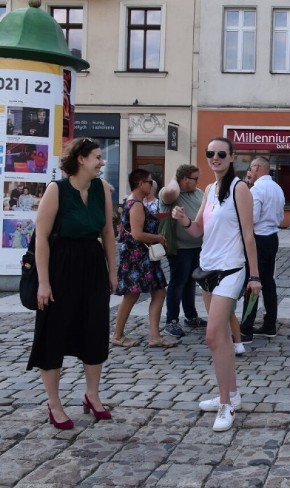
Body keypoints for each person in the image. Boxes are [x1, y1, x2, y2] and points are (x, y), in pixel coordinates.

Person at [172, 137, 261, 432]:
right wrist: (184, 219)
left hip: (231, 269)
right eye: (210, 153)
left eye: (221, 153)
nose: (215, 157)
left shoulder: (240, 189)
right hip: (207, 269)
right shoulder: (209, 190)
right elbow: (198, 230)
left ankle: (226, 404)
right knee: (219, 336)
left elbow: (249, 235)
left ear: (232, 157)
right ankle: (231, 394)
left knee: (212, 336)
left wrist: (255, 276)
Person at [27, 137, 117, 429]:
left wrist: (112, 272)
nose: (101, 162)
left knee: (94, 328)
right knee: (54, 332)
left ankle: (92, 394)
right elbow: (41, 237)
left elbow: (107, 232)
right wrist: (43, 282)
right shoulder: (57, 190)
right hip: (60, 266)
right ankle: (54, 403)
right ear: (80, 159)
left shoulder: (102, 188)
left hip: (92, 264)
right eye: (96, 157)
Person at [111, 169, 173, 349]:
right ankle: (117, 335)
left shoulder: (133, 202)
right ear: (140, 184)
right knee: (132, 295)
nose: (152, 185)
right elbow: (138, 234)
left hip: (142, 256)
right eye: (149, 181)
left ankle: (154, 336)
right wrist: (159, 238)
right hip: (137, 256)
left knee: (159, 291)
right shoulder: (136, 205)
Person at [240, 157, 285, 341]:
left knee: (253, 280)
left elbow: (253, 217)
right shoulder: (277, 188)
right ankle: (269, 324)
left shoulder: (257, 189)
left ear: (257, 167)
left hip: (258, 238)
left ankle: (246, 329)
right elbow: (281, 215)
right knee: (268, 282)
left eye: (251, 167)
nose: (250, 171)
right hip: (272, 237)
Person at [160, 165, 207, 338]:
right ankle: (171, 321)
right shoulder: (170, 194)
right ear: (185, 180)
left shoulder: (198, 192)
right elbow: (172, 189)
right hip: (179, 248)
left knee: (190, 282)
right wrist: (176, 176)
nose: (198, 181)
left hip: (197, 247)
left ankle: (191, 316)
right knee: (178, 283)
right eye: (195, 178)